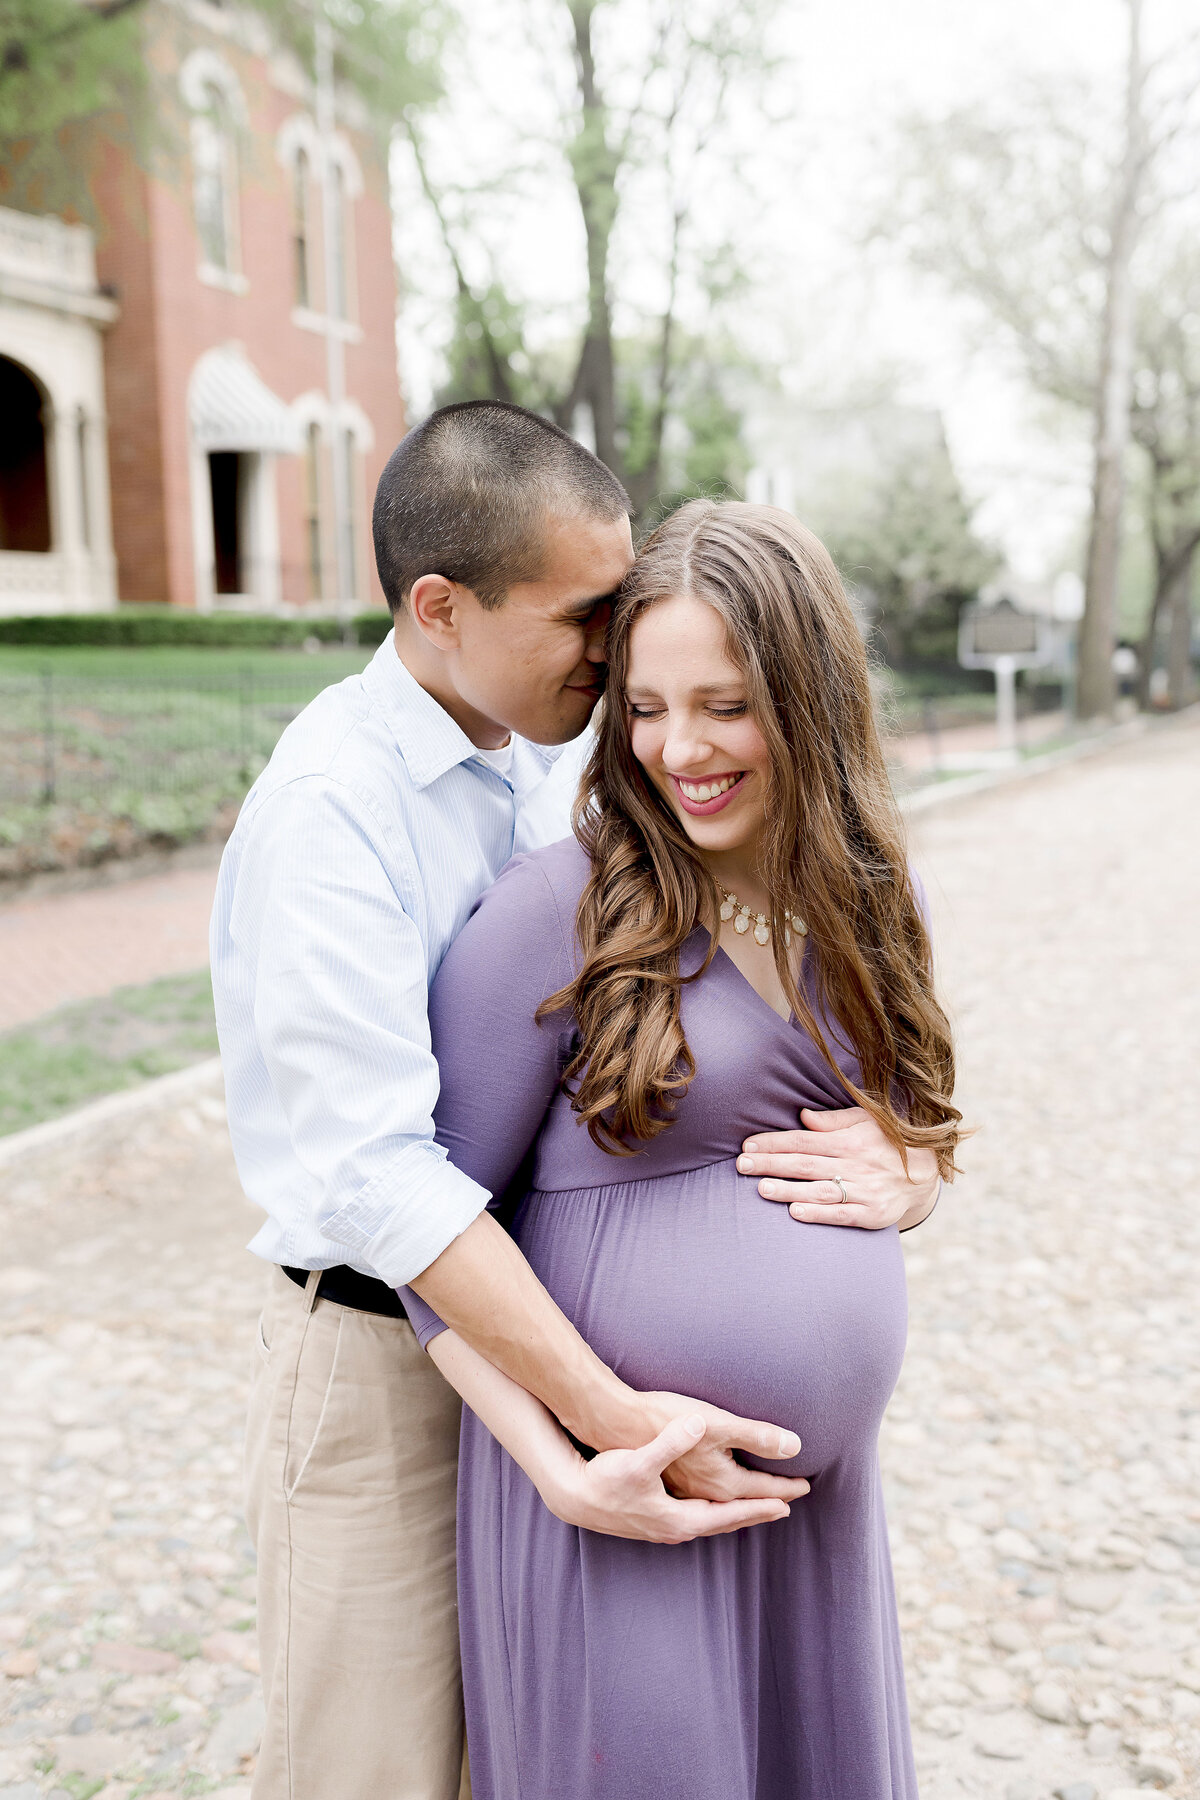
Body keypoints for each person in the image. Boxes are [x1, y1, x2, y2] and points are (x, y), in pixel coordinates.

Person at [209, 405, 940, 1800]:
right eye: (590, 618)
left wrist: (908, 1167)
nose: (622, 666)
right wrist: (597, 1429)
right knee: (376, 1767)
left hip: (583, 1371)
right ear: (442, 609)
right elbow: (392, 1184)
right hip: (382, 1344)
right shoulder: (331, 810)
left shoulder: (556, 750)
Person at [401, 498, 961, 1800]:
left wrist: (917, 1179)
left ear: (813, 697)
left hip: (816, 1522)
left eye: (725, 704)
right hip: (620, 1511)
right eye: (646, 708)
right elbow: (421, 1238)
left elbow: (908, 1125)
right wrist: (571, 1460)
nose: (678, 749)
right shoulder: (557, 913)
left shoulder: (879, 900)